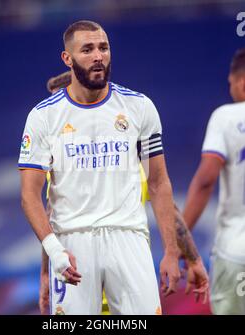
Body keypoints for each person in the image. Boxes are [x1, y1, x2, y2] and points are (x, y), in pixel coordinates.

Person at [19, 20, 188, 315]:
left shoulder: (139, 107)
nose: (98, 55)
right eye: (87, 49)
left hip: (129, 237)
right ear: (67, 58)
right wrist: (53, 252)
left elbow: (159, 183)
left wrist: (172, 251)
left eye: (103, 47)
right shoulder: (43, 117)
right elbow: (31, 196)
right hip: (72, 241)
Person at [38, 72, 209, 314]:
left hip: (113, 273)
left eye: (62, 102)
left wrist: (46, 273)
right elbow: (50, 216)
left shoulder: (125, 156)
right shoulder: (67, 161)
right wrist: (193, 259)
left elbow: (165, 201)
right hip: (88, 275)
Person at [183, 48, 245, 314]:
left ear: (241, 82)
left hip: (236, 253)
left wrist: (178, 244)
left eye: (231, 84)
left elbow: (205, 181)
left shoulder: (227, 117)